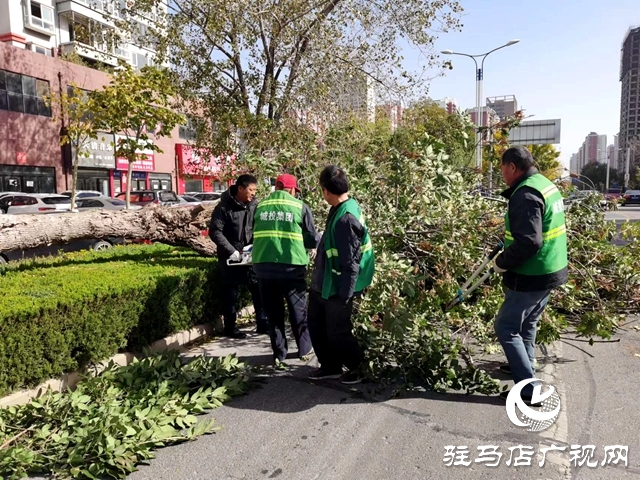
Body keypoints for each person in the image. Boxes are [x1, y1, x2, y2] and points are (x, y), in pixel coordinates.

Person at [492, 146, 568, 404]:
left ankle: (528, 390)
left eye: (502, 167)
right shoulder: (544, 184)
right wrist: (505, 246)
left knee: (506, 326)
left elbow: (530, 242)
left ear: (512, 166)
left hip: (532, 273)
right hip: (551, 269)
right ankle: (524, 372)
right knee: (527, 324)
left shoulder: (525, 194)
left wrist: (502, 262)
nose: (502, 173)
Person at [306, 166, 375, 385]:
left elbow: (350, 263)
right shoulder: (341, 206)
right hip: (324, 281)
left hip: (338, 285)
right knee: (316, 325)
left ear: (326, 191)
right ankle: (330, 366)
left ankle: (359, 368)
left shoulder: (346, 219)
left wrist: (345, 297)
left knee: (338, 331)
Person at [252, 174, 320, 367]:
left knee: (273, 313)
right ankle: (304, 350)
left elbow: (251, 233)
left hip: (263, 267)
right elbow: (312, 238)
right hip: (291, 267)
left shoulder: (260, 206)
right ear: (290, 189)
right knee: (298, 310)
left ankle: (279, 354)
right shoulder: (299, 206)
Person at [209, 174, 268, 339]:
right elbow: (215, 231)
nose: (253, 193)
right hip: (231, 258)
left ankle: (262, 323)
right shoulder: (224, 207)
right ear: (240, 188)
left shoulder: (255, 206)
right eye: (251, 189)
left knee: (258, 290)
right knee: (231, 294)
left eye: (255, 190)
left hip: (250, 256)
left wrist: (256, 246)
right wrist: (231, 251)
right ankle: (230, 327)